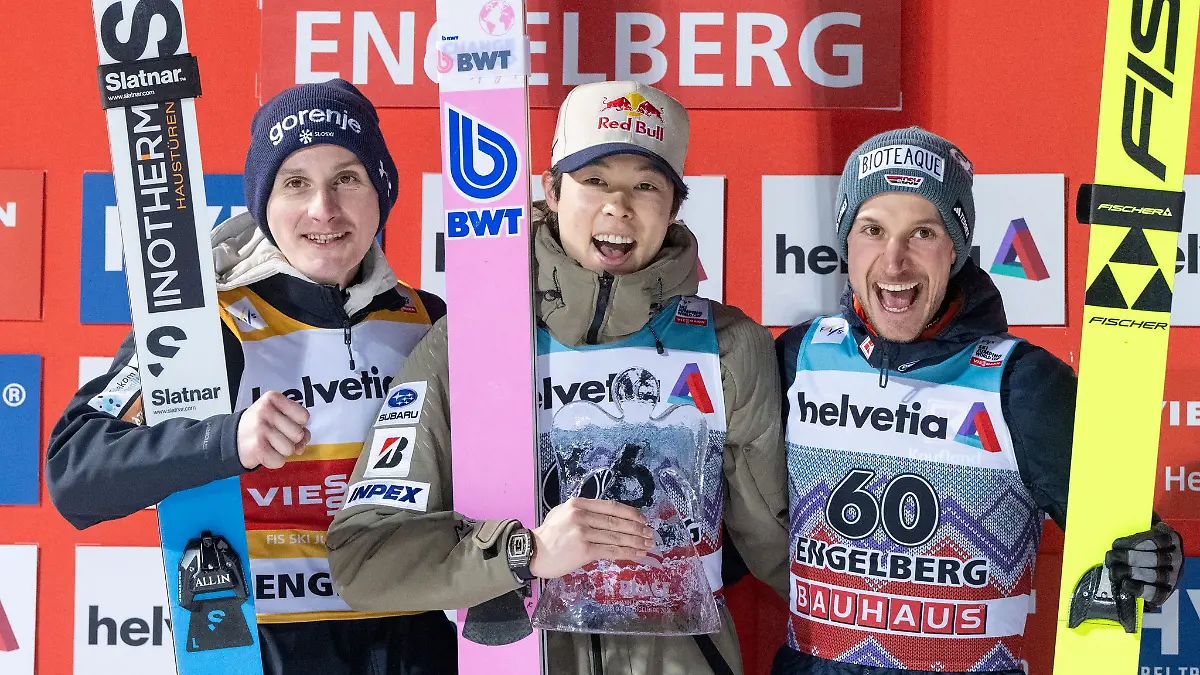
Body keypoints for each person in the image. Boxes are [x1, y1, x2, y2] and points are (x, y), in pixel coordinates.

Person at [327, 80, 790, 675]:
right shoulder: (470, 343)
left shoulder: (728, 347)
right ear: (550, 190)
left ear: (673, 207)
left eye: (646, 186)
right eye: (594, 180)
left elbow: (787, 551)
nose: (617, 206)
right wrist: (526, 552)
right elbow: (365, 557)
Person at [46, 79, 456, 675]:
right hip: (265, 649)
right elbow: (76, 471)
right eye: (296, 183)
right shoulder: (208, 326)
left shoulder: (428, 322)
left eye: (347, 178)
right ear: (264, 203)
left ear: (380, 193)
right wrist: (227, 440)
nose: (324, 208)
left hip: (415, 642)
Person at [773, 127, 1184, 675]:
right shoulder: (798, 358)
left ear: (957, 249)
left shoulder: (1025, 384)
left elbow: (1126, 544)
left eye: (923, 232)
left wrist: (1152, 558)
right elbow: (727, 528)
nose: (893, 263)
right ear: (846, 241)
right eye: (872, 229)